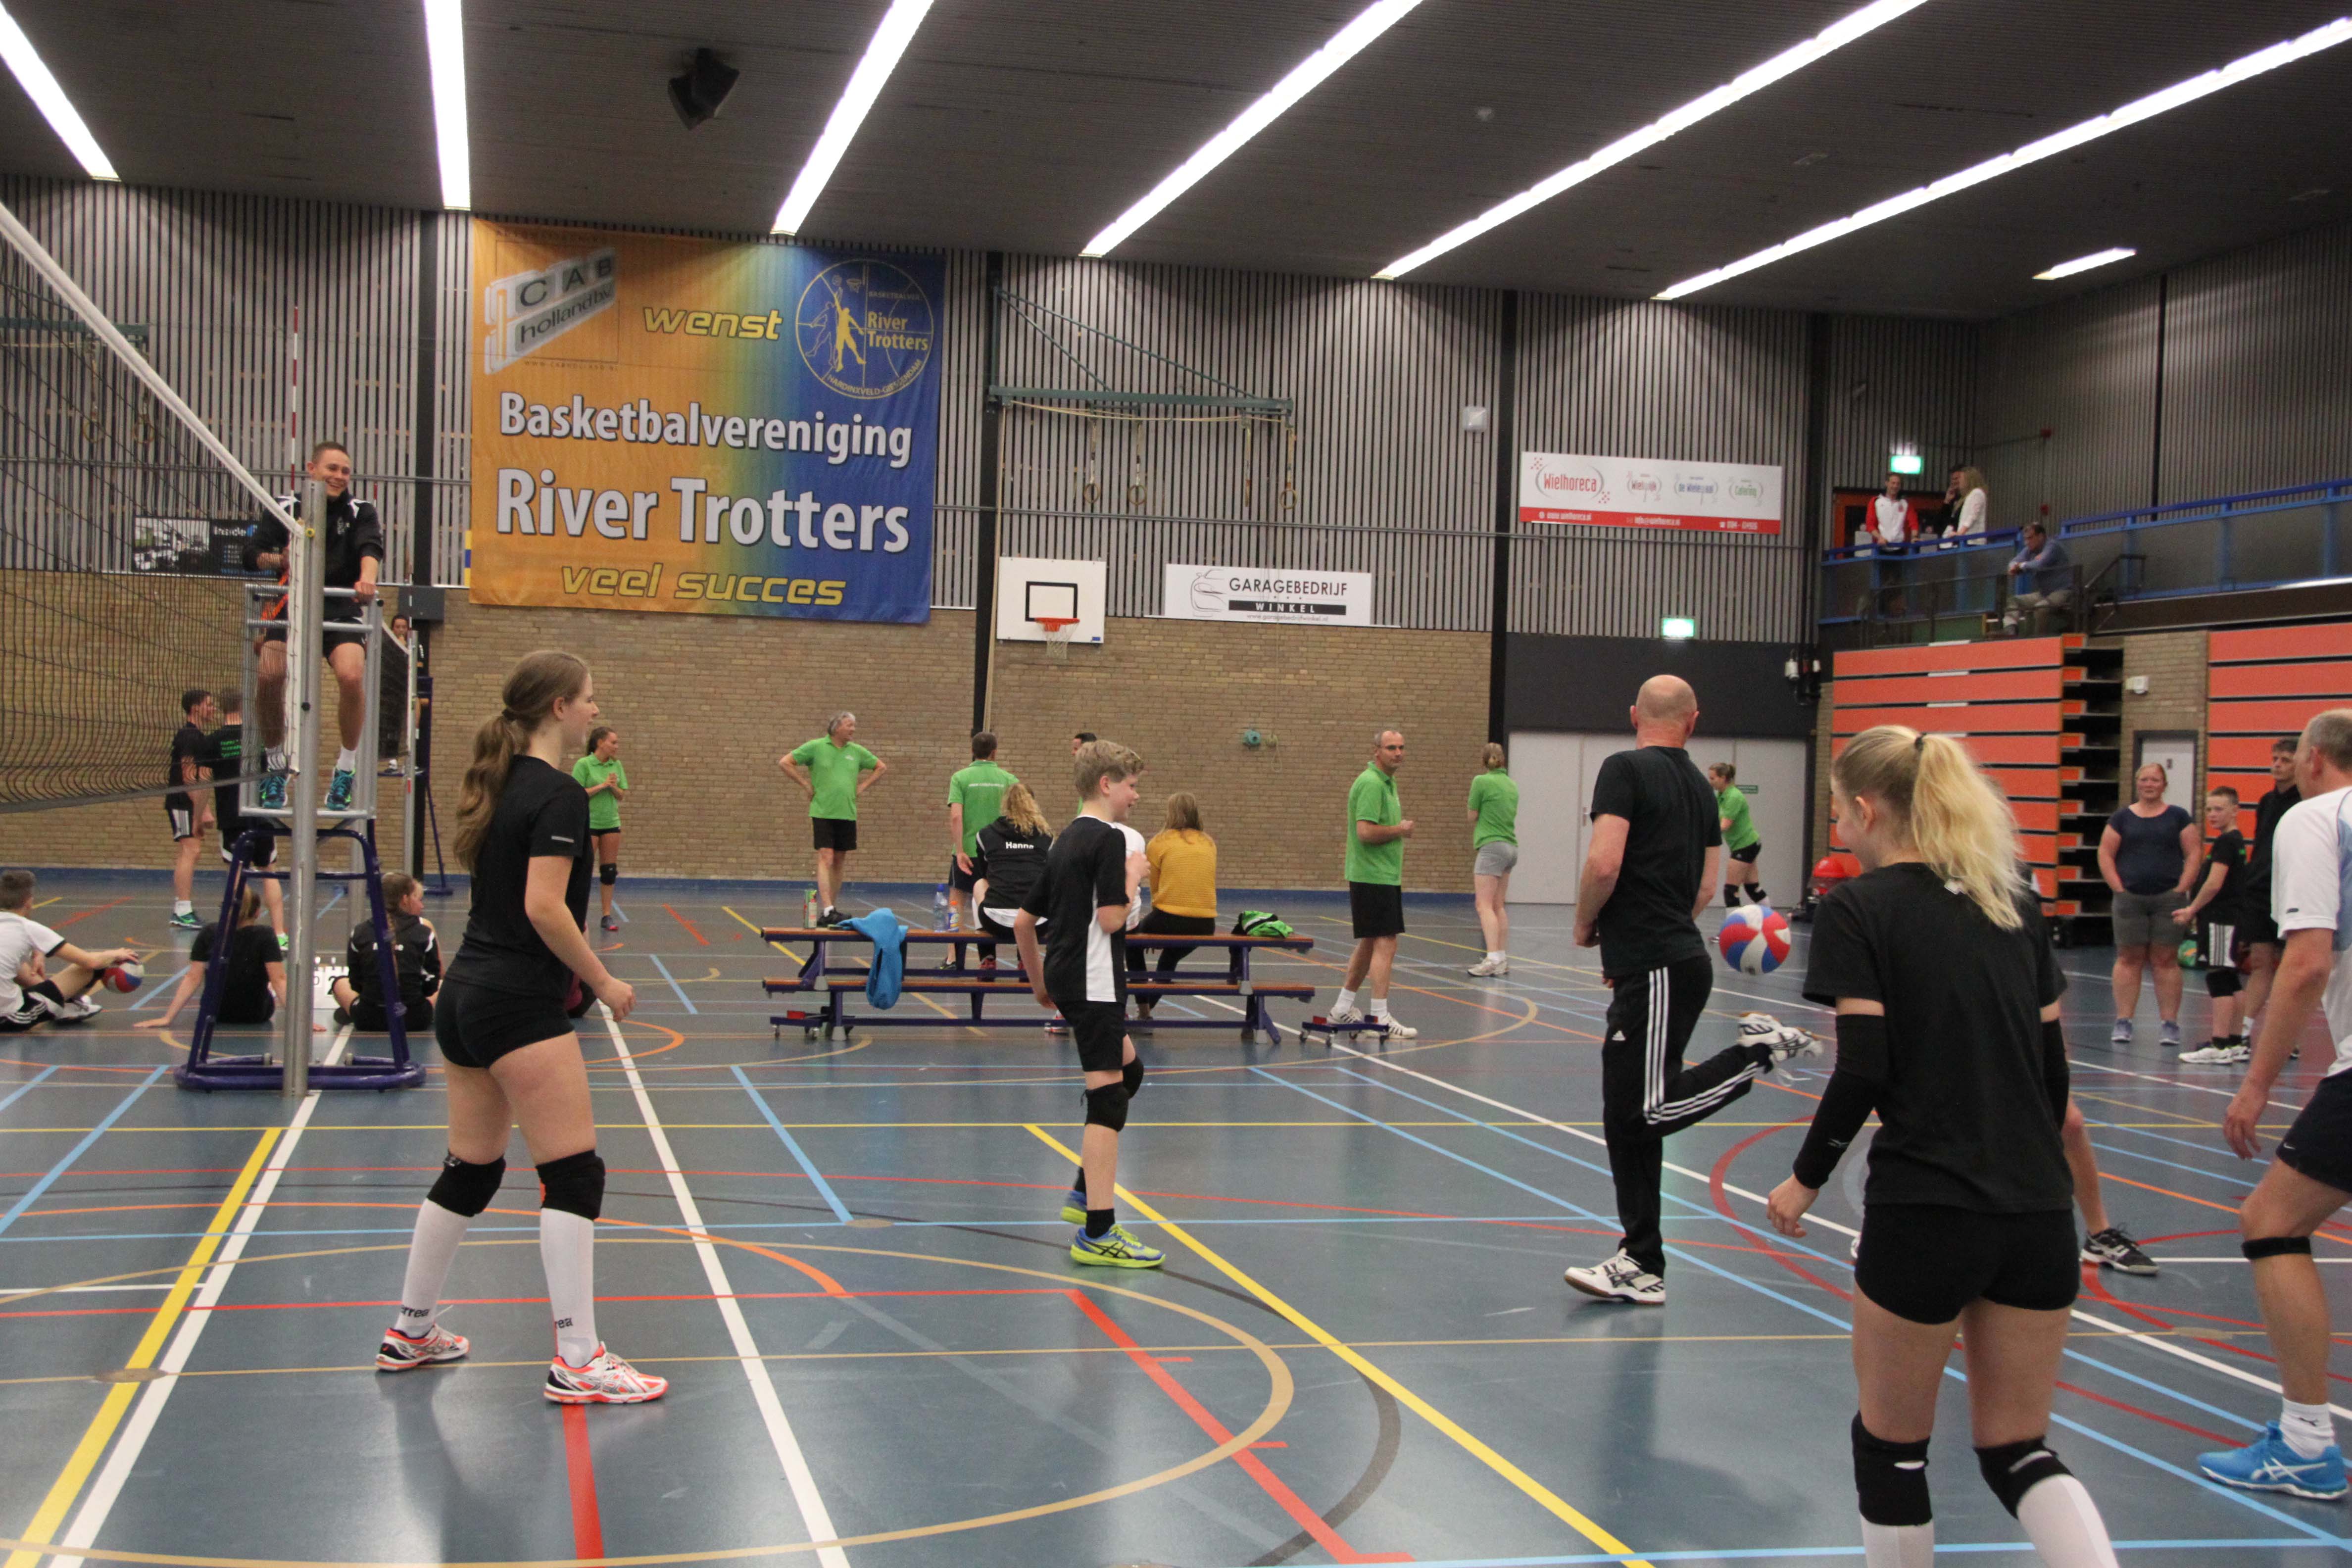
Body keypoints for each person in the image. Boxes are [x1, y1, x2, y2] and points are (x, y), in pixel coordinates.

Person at [1766, 726, 2123, 1568]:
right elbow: (2053, 1075)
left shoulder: (1859, 907)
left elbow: (1864, 1068)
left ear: (1866, 810)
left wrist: (1804, 1179)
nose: (1838, 829)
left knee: (1891, 1447)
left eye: (1838, 811)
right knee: (2018, 1448)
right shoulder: (2013, 901)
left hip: (1927, 1206)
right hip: (2037, 1210)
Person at [375, 649, 662, 1404]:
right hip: (514, 1004)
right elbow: (543, 907)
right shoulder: (560, 794)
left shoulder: (498, 784)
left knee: (471, 1171)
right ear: (559, 708)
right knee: (574, 1173)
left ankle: (411, 1330)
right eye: (588, 698)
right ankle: (579, 1360)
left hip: (464, 996)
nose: (595, 710)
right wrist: (602, 981)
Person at [1565, 676, 1821, 1305]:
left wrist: (1588, 924)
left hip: (1658, 965)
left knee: (1643, 1113)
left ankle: (1757, 1053)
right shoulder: (1705, 792)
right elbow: (1707, 888)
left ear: (1634, 715)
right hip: (1667, 961)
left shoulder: (1622, 770)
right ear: (1693, 721)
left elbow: (1604, 863)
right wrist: (1645, 939)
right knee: (1626, 1119)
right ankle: (1641, 1261)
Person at [2202, 709, 2352, 1498]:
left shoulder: (2314, 818)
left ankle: (2305, 1441)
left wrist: (2257, 1082)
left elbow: (2306, 964)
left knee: (2272, 1221)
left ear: (2314, 759)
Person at [1015, 740, 1164, 1270]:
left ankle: (1084, 1190)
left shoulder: (1065, 840)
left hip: (1068, 974)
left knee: (1131, 1073)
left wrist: (1040, 984)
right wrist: (1135, 875)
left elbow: (1023, 922)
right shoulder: (1107, 839)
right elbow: (1112, 919)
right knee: (1108, 1100)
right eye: (1131, 786)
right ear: (1106, 784)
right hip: (1095, 979)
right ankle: (1099, 1232)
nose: (1136, 796)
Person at [248, 441, 384, 813]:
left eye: (345, 471)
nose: (339, 476)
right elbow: (252, 554)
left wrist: (367, 579)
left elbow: (371, 548)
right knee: (269, 675)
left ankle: (345, 769)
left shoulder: (361, 511)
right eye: (332, 469)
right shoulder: (285, 507)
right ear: (312, 469)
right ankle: (275, 764)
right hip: (291, 605)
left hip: (339, 605)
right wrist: (281, 559)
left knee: (351, 675)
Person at [2098, 763, 2199, 1045]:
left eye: (2155, 780)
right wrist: (2118, 888)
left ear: (2164, 785)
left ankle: (2170, 1024)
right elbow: (2105, 853)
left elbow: (2194, 853)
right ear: (2137, 783)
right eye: (2144, 780)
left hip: (2168, 899)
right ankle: (2123, 1021)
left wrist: (2182, 888)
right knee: (2129, 958)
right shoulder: (2121, 818)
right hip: (2130, 898)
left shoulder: (2179, 817)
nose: (2149, 785)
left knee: (2165, 960)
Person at [1332, 729, 1416, 1038]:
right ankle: (1380, 1016)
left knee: (1370, 942)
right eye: (1391, 747)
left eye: (1402, 747)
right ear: (1377, 751)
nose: (1398, 753)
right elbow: (1365, 832)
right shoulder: (1371, 784)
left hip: (1383, 874)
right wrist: (1400, 830)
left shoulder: (1388, 784)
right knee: (1386, 941)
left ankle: (1342, 1008)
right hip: (1373, 875)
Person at [780, 712, 885, 927]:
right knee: (826, 856)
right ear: (837, 728)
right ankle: (827, 907)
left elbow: (881, 767)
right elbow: (785, 763)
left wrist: (862, 787)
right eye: (849, 725)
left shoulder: (856, 752)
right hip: (823, 811)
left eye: (854, 725)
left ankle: (831, 910)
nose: (853, 729)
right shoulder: (816, 747)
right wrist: (806, 785)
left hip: (846, 812)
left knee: (839, 860)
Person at [197, 689, 285, 939]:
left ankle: (236, 932)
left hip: (231, 817)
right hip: (261, 815)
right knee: (269, 871)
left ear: (222, 709)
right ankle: (279, 933)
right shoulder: (260, 738)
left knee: (236, 875)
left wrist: (199, 817)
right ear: (244, 707)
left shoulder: (212, 742)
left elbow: (203, 784)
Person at [0, 870, 136, 1030]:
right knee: (96, 967)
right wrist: (114, 954)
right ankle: (69, 1007)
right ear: (29, 902)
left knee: (17, 966)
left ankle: (65, 1004)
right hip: (10, 1017)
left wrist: (37, 952)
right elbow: (91, 962)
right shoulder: (28, 928)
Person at [138, 886, 287, 1029]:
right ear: (257, 913)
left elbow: (192, 979)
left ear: (226, 910)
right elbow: (279, 980)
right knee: (267, 984)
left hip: (215, 1013)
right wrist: (298, 1021)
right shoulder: (265, 935)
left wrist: (168, 1018)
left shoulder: (210, 933)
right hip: (255, 1014)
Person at [2238, 737, 2303, 1051]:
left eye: (2285, 760)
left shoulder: (2305, 803)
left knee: (2290, 966)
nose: (2277, 765)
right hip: (2260, 891)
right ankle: (2245, 1032)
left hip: (2292, 892)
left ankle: (2287, 1036)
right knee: (2260, 962)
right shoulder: (2266, 801)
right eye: (2275, 759)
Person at [2177, 786, 2250, 1064]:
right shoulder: (2234, 841)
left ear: (2235, 810)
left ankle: (2220, 1044)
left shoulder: (2227, 843)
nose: (2212, 814)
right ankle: (2235, 1041)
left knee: (2219, 977)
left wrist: (2192, 909)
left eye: (2219, 809)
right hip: (2229, 918)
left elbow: (2214, 883)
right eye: (2209, 809)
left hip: (2221, 920)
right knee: (2231, 979)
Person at [1130, 792, 1217, 1019]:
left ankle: (1143, 1006)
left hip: (1168, 918)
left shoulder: (1160, 842)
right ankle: (1145, 1012)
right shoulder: (1209, 842)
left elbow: (1156, 888)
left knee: (1132, 944)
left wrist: (1152, 929)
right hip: (1205, 924)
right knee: (1169, 959)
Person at [332, 871, 442, 1031]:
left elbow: (356, 982)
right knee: (443, 984)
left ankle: (353, 1010)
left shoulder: (360, 932)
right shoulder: (423, 932)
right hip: (414, 1019)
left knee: (340, 983)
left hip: (368, 1019)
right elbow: (431, 985)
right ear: (405, 899)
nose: (422, 906)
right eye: (419, 900)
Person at [946, 732, 1018, 963]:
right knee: (991, 901)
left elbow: (956, 817)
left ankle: (953, 958)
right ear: (995, 753)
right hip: (999, 853)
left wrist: (960, 851)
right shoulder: (1009, 779)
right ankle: (989, 956)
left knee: (956, 902)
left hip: (968, 851)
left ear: (972, 751)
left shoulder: (960, 778)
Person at [972, 782, 1054, 971]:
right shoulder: (1045, 836)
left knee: (980, 884)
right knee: (1040, 889)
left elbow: (985, 874)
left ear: (1006, 804)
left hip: (995, 922)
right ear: (1033, 804)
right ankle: (1024, 960)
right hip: (1037, 924)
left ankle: (987, 957)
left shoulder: (986, 834)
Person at [166, 688, 218, 930]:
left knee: (191, 852)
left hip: (188, 803)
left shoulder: (197, 736)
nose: (213, 708)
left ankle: (182, 908)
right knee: (191, 851)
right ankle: (183, 910)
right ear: (196, 708)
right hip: (182, 802)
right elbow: (189, 778)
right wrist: (203, 811)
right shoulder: (189, 736)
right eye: (209, 704)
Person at [1467, 742, 1518, 977]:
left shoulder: (1481, 782)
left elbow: (1472, 816)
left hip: (1492, 847)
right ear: (1503, 761)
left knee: (1484, 905)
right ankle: (1502, 957)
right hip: (1511, 847)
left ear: (1484, 760)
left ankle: (1493, 958)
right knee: (1499, 905)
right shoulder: (1512, 785)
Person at [572, 726, 628, 932]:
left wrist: (613, 787)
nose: (616, 746)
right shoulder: (584, 764)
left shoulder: (616, 765)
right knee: (584, 870)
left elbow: (621, 795)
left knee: (609, 871)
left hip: (610, 822)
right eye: (613, 742)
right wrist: (602, 785)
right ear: (600, 743)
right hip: (590, 824)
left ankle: (606, 915)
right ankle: (578, 914)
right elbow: (577, 793)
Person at [1709, 761, 1766, 908]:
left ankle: (1734, 923)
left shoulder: (1734, 797)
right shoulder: (1721, 795)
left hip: (1745, 845)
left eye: (1713, 778)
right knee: (1753, 888)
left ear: (1723, 778)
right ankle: (1772, 919)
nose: (1711, 782)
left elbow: (1725, 825)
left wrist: (1705, 837)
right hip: (1745, 844)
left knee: (1731, 890)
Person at [2001, 521, 2074, 635]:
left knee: (2041, 607)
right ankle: (2011, 629)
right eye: (2026, 539)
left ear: (2041, 536)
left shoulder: (2052, 546)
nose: (2027, 543)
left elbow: (2039, 564)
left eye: (2030, 538)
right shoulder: (2030, 550)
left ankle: (2039, 639)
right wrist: (2013, 567)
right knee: (2013, 601)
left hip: (2062, 591)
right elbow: (2014, 562)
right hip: (2044, 593)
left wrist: (2021, 566)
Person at [1869, 473, 1917, 548]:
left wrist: (1914, 537)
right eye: (1893, 483)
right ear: (1887, 483)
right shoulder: (1876, 501)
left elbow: (1913, 522)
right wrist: (1880, 538)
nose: (1895, 486)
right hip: (1880, 548)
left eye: (1898, 484)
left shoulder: (1905, 503)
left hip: (1900, 547)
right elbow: (1870, 525)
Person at [1944, 466, 1988, 537]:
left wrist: (1961, 533)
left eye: (1961, 478)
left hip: (1972, 539)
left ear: (1968, 480)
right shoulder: (1965, 498)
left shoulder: (1977, 493)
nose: (1959, 482)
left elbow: (1972, 516)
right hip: (1963, 538)